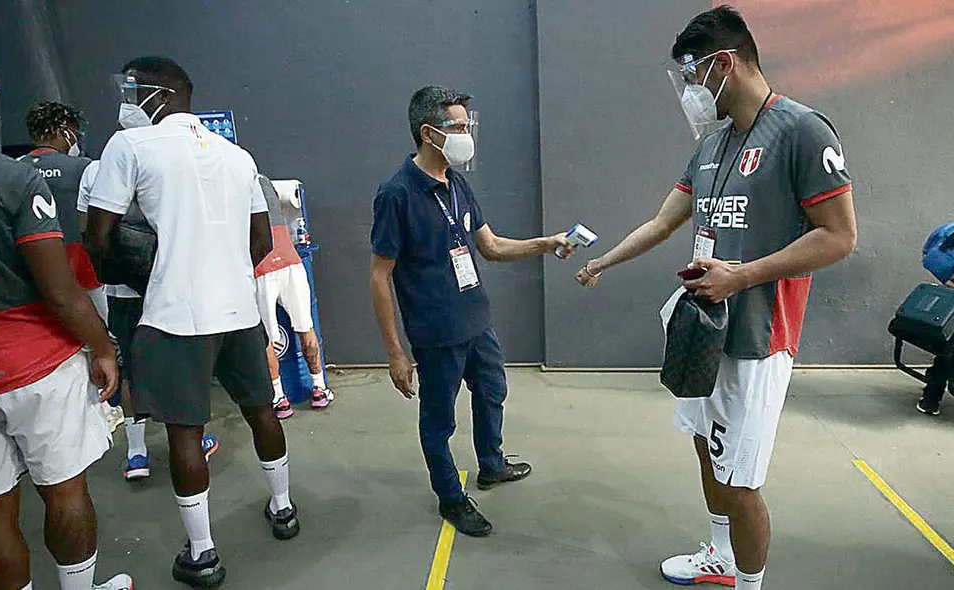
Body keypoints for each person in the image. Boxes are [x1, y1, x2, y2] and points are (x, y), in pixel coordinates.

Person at [575, 7, 857, 589]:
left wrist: (743, 274)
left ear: (724, 64)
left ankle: (751, 585)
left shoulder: (803, 130)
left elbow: (839, 236)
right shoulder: (711, 146)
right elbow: (663, 221)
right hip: (703, 328)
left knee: (743, 480)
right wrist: (603, 260)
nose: (690, 92)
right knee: (707, 449)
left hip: (759, 337)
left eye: (692, 76)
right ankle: (722, 559)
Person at [85, 56, 298, 588]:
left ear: (160, 94)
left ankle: (202, 555)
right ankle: (284, 507)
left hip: (175, 314)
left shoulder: (129, 146)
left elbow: (99, 238)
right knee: (260, 409)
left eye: (132, 90)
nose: (127, 101)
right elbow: (260, 242)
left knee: (186, 430)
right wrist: (221, 273)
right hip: (238, 310)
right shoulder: (236, 155)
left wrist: (146, 277)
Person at [0, 33, 132, 590]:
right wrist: (102, 347)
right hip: (36, 363)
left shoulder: (18, 167)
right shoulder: (7, 176)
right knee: (65, 488)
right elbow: (59, 291)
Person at [370, 85, 573, 537]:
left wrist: (547, 242)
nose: (466, 134)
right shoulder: (396, 194)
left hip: (476, 321)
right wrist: (395, 352)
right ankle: (450, 497)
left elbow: (491, 246)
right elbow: (380, 275)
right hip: (436, 330)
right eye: (457, 126)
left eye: (467, 125)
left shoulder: (457, 184)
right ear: (428, 132)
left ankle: (491, 464)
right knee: (439, 420)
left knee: (491, 391)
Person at [77, 161, 220, 480]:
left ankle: (136, 454)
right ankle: (191, 446)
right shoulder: (172, 162)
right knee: (184, 367)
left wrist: (111, 273)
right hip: (168, 287)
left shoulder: (96, 170)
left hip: (122, 294)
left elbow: (89, 233)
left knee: (130, 370)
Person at [20, 103, 126, 434]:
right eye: (74, 132)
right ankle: (107, 407)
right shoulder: (84, 167)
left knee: (60, 345)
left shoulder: (14, 169)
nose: (76, 138)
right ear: (61, 130)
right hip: (84, 271)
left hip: (35, 273)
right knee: (104, 341)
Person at [254, 174, 335, 418]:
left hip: (261, 269)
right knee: (305, 326)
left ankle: (279, 398)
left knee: (267, 339)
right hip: (290, 262)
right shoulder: (263, 181)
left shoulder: (228, 190)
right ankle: (319, 387)